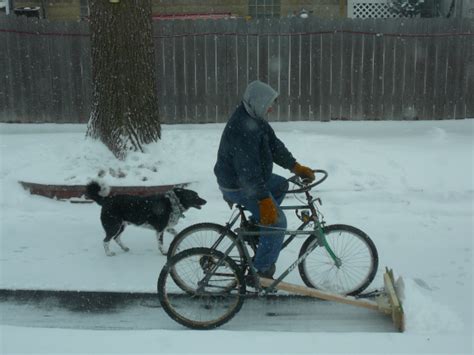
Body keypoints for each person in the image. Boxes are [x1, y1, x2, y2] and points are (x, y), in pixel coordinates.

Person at [214, 80, 315, 281]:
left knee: (281, 185)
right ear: (258, 102)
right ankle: (260, 271)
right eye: (269, 103)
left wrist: (295, 166)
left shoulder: (255, 118)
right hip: (238, 184)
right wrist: (263, 200)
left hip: (249, 179)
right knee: (278, 222)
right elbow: (248, 171)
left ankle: (257, 228)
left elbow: (274, 145)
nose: (271, 108)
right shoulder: (243, 128)